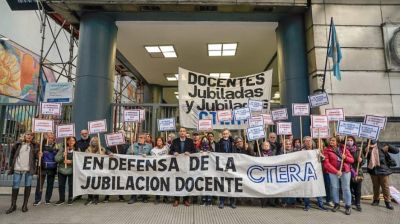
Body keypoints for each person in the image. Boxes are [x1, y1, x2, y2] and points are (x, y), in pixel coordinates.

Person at [6, 131, 38, 214]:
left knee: (28, 185)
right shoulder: (18, 144)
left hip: (28, 169)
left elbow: (36, 156)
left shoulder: (34, 145)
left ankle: (24, 205)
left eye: (31, 135)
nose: (29, 136)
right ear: (24, 135)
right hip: (18, 167)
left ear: (32, 137)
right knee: (15, 185)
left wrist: (39, 154)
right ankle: (13, 205)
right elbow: (12, 155)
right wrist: (10, 165)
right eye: (28, 134)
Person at [323, 136, 354, 215]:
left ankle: (348, 205)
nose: (331, 142)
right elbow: (326, 164)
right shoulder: (326, 150)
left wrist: (345, 157)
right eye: (330, 140)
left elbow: (352, 160)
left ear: (337, 142)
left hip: (345, 171)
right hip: (333, 172)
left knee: (346, 188)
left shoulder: (343, 149)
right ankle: (336, 204)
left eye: (333, 140)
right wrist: (336, 171)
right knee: (335, 187)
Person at [367, 140, 399, 210]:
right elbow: (363, 156)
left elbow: (396, 151)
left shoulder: (383, 144)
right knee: (375, 186)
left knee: (385, 187)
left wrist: (389, 146)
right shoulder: (367, 146)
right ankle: (376, 200)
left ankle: (387, 202)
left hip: (383, 170)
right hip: (373, 170)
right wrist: (365, 150)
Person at [169, 127, 195, 207]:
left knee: (186, 181)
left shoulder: (190, 141)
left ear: (186, 132)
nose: (182, 132)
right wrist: (174, 153)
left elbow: (194, 151)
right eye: (181, 131)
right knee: (177, 181)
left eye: (184, 131)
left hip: (186, 165)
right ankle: (176, 199)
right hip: (177, 165)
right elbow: (170, 151)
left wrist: (189, 152)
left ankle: (185, 199)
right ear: (179, 133)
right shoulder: (175, 141)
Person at [301, 136, 328, 211]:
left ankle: (320, 204)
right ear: (304, 142)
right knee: (307, 189)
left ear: (312, 141)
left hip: (316, 173)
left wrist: (321, 156)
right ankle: (307, 205)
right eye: (306, 141)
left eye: (309, 140)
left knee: (318, 188)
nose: (308, 142)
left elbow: (323, 159)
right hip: (306, 173)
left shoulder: (316, 150)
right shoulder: (301, 151)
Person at [127, 133, 152, 204]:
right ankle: (133, 197)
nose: (140, 139)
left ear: (144, 139)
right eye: (139, 137)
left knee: (145, 181)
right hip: (135, 167)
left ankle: (144, 197)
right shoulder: (133, 145)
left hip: (144, 167)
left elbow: (152, 156)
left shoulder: (149, 146)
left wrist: (147, 155)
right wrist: (130, 153)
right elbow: (127, 154)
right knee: (134, 181)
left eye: (141, 137)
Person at [33, 132, 58, 206]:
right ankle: (37, 200)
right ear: (46, 137)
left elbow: (58, 156)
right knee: (39, 184)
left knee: (50, 184)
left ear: (54, 138)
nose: (50, 139)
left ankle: (48, 199)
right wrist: (38, 154)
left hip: (52, 167)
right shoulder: (41, 145)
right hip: (43, 167)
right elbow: (36, 154)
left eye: (52, 137)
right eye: (49, 137)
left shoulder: (56, 146)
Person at [55, 136, 79, 206]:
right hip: (62, 170)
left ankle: (70, 198)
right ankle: (61, 199)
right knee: (61, 185)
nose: (71, 142)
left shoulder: (77, 149)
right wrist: (63, 155)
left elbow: (80, 161)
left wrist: (71, 161)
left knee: (71, 185)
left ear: (75, 142)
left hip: (72, 170)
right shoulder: (62, 149)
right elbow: (56, 159)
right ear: (67, 141)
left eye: (73, 141)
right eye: (70, 140)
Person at [216, 129, 237, 209]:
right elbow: (216, 154)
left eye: (226, 133)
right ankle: (222, 201)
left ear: (229, 134)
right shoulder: (218, 143)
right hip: (222, 165)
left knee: (231, 183)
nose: (225, 135)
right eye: (224, 134)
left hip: (231, 165)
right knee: (222, 183)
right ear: (222, 134)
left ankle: (232, 202)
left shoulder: (233, 143)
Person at [84, 137, 106, 205]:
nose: (94, 142)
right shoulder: (88, 149)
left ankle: (96, 198)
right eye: (93, 141)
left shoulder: (101, 148)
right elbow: (85, 156)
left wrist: (99, 150)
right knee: (89, 183)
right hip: (90, 170)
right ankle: (90, 197)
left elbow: (102, 155)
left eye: (96, 141)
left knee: (97, 183)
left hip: (98, 169)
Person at [347, 136, 364, 212]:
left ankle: (358, 204)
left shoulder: (358, 150)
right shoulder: (344, 150)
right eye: (348, 140)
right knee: (349, 188)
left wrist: (361, 160)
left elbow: (363, 161)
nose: (349, 141)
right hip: (347, 172)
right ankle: (350, 202)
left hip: (357, 171)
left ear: (354, 141)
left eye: (351, 140)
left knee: (358, 189)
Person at [151, 137, 170, 204]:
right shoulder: (153, 150)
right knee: (157, 183)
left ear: (162, 141)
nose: (159, 142)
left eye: (160, 140)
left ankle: (166, 197)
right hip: (158, 169)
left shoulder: (167, 148)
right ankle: (157, 198)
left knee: (166, 183)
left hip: (166, 169)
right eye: (157, 140)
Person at [281, 139, 296, 208]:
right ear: (284, 145)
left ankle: (292, 202)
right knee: (284, 187)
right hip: (284, 172)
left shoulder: (295, 152)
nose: (288, 145)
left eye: (289, 144)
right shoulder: (281, 152)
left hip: (292, 172)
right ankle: (284, 201)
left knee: (293, 187)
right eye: (286, 144)